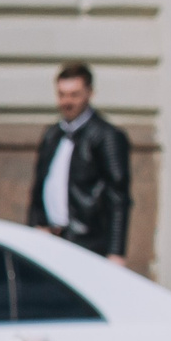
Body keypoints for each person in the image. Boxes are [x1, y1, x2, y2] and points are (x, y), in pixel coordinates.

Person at [28, 61, 132, 267]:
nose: (67, 101)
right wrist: (36, 226)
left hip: (87, 244)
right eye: (62, 94)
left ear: (89, 93)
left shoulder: (106, 136)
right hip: (50, 240)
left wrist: (115, 252)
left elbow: (118, 197)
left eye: (74, 94)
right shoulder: (52, 134)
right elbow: (38, 188)